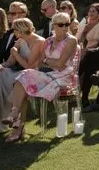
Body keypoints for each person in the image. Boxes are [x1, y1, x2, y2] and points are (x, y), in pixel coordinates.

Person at [4, 13, 79, 142]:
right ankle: (16, 116)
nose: (65, 27)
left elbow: (61, 65)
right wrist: (45, 63)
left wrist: (46, 61)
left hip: (64, 76)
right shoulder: (49, 40)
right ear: (54, 26)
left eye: (67, 24)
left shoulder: (71, 40)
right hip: (47, 73)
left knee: (24, 79)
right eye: (61, 24)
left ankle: (17, 123)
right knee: (23, 79)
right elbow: (39, 63)